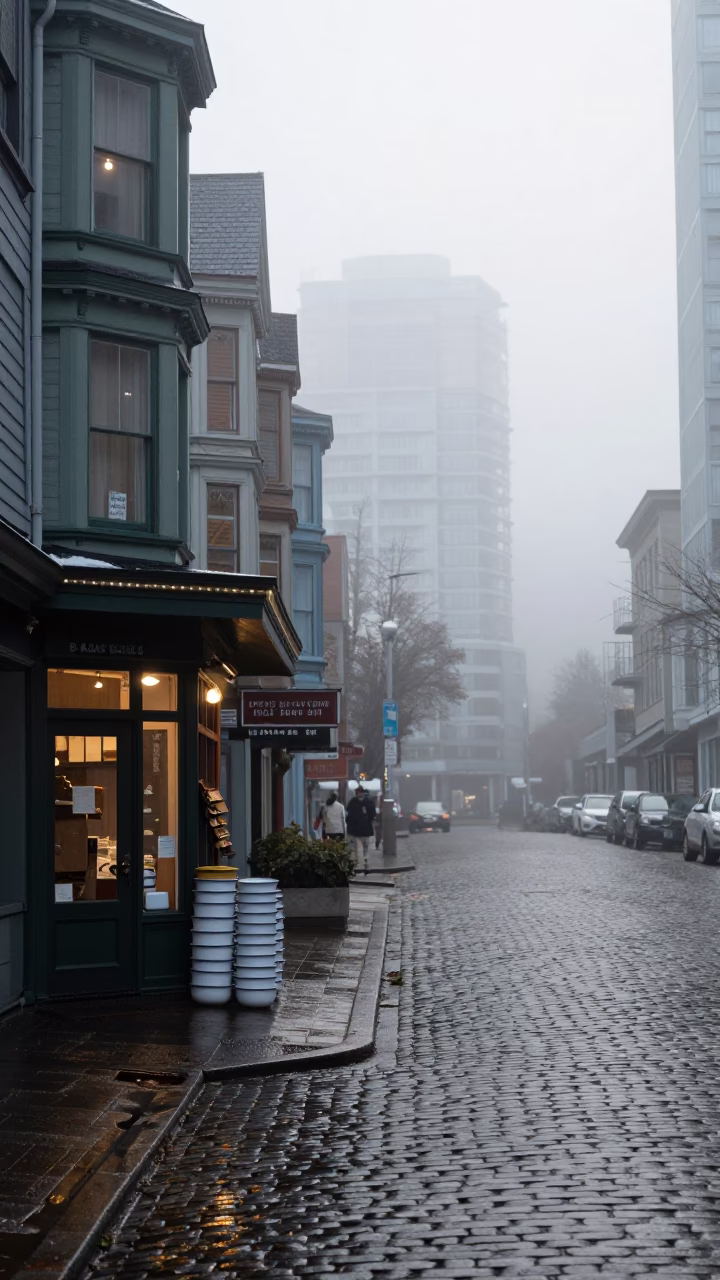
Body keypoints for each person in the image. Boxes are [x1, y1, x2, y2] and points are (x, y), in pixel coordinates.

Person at [346, 785, 376, 872]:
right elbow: (373, 815)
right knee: (364, 847)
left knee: (356, 847)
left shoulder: (352, 802)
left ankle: (357, 862)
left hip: (355, 830)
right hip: (364, 829)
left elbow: (349, 816)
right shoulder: (369, 802)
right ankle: (364, 861)